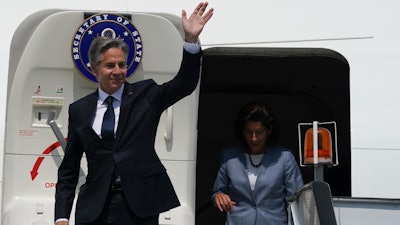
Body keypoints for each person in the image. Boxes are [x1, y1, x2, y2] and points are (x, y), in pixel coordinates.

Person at [54, 2, 213, 225]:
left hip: (138, 206)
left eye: (122, 64)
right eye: (110, 65)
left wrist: (191, 42)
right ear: (94, 69)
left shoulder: (145, 94)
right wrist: (61, 216)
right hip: (95, 208)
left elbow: (184, 84)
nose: (118, 71)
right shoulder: (79, 109)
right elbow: (69, 168)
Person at [211, 101, 304, 225]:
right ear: (242, 131)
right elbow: (217, 192)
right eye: (248, 132)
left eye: (259, 132)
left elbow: (296, 201)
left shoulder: (285, 157)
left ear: (269, 130)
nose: (253, 138)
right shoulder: (229, 157)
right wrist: (219, 196)